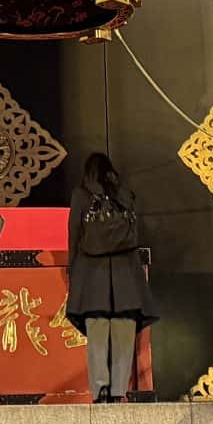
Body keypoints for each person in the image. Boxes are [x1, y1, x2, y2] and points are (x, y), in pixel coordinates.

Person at [68, 152, 153, 404]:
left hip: (92, 277)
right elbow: (134, 233)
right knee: (123, 337)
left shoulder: (81, 196)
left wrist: (73, 273)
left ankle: (100, 388)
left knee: (96, 336)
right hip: (125, 277)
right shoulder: (124, 195)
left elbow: (74, 236)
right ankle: (118, 390)